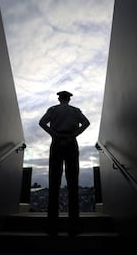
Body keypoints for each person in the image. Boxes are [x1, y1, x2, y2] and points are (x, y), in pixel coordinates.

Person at [39, 91, 90, 236]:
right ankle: (74, 227)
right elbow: (86, 123)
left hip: (56, 142)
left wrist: (54, 134)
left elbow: (42, 122)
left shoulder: (53, 109)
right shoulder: (75, 111)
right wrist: (73, 135)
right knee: (73, 183)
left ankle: (51, 227)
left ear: (59, 99)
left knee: (54, 182)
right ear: (68, 99)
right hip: (70, 142)